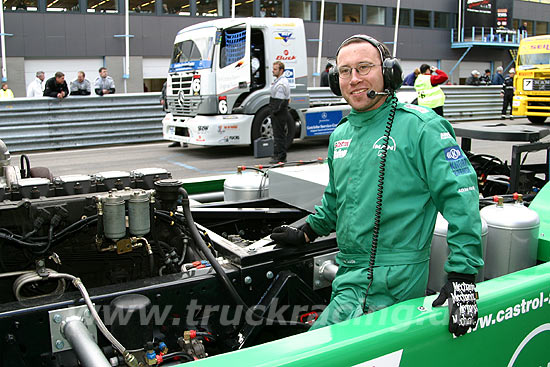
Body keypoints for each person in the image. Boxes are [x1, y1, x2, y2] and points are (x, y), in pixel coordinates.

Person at [270, 34, 482, 337]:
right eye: (345, 71)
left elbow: (461, 198)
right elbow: (335, 200)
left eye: (364, 68)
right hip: (349, 276)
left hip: (397, 278)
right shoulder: (341, 134)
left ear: (389, 73)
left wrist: (463, 274)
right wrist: (307, 231)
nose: (354, 79)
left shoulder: (421, 127)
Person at [269, 61, 294, 164]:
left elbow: (280, 101)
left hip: (279, 112)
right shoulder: (278, 81)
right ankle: (277, 154)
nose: (273, 71)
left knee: (279, 135)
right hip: (278, 110)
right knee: (277, 134)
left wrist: (274, 111)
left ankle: (281, 156)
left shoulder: (281, 83)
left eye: (275, 69)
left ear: (281, 70)